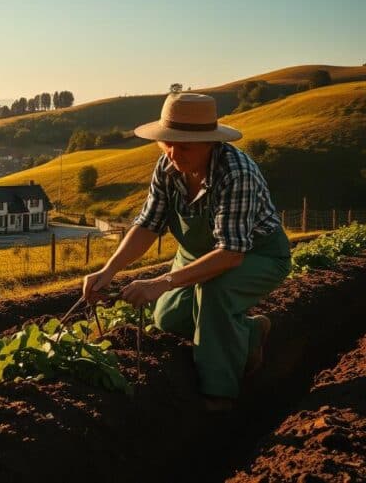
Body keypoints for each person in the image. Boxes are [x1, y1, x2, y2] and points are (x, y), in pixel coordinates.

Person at [81, 93, 290, 412]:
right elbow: (148, 225)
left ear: (209, 143)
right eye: (168, 143)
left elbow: (230, 254)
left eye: (185, 147)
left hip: (256, 255)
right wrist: (108, 271)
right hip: (197, 254)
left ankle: (220, 394)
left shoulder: (235, 173)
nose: (174, 154)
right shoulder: (167, 167)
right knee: (168, 317)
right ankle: (250, 332)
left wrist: (162, 282)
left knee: (214, 293)